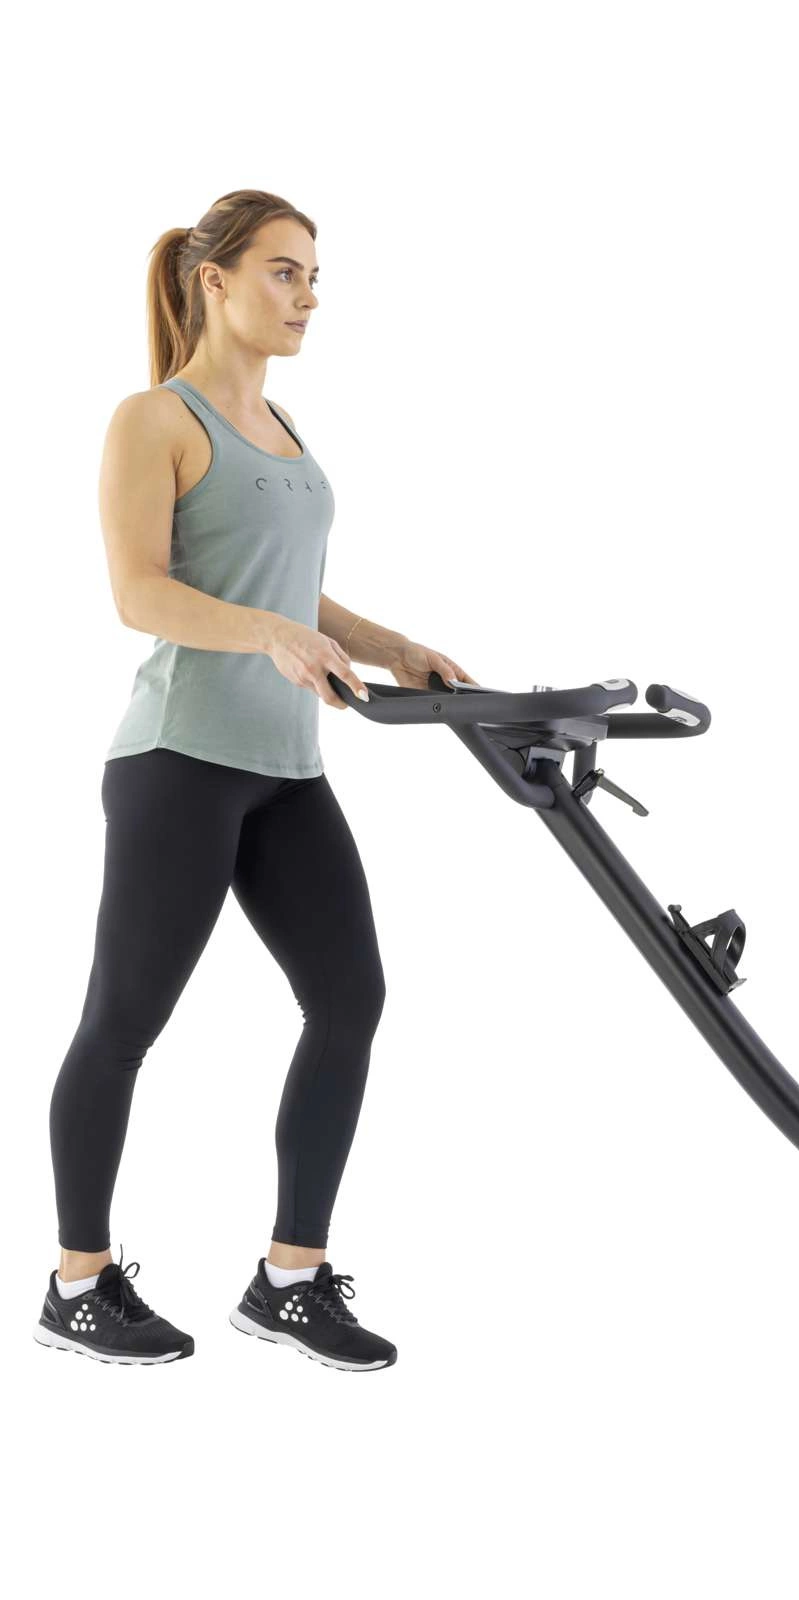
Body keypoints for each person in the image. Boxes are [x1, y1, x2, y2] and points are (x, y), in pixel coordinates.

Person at [37, 189, 473, 1372]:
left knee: (350, 998)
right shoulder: (154, 419)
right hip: (180, 760)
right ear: (214, 280)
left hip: (285, 767)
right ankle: (77, 1283)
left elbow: (285, 589)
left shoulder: (281, 426)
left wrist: (388, 644)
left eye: (314, 275)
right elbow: (140, 591)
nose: (309, 296)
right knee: (123, 1022)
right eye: (285, 271)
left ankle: (289, 1278)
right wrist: (273, 636)